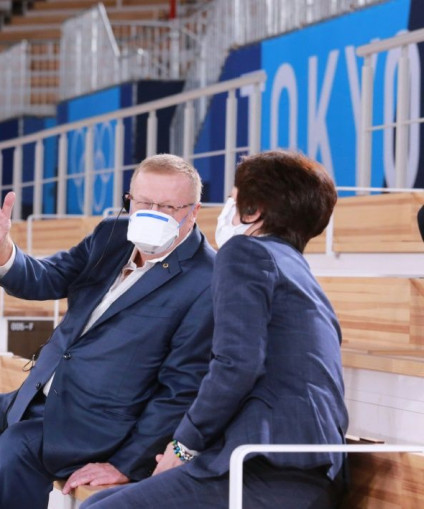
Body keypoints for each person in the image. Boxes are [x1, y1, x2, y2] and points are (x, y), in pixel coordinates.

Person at [0, 154, 216, 509]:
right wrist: (1, 246)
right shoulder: (112, 235)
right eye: (145, 203)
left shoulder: (206, 278)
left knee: (16, 445)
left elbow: (180, 391)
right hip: (46, 397)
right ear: (128, 201)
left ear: (193, 211)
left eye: (168, 206)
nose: (154, 213)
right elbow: (47, 276)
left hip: (101, 427)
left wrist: (125, 463)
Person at [83, 150, 349, 509]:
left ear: (253, 211)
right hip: (295, 467)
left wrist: (182, 447)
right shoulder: (296, 269)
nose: (226, 208)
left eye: (232, 199)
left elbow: (236, 364)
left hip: (268, 469)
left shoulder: (245, 252)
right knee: (102, 502)